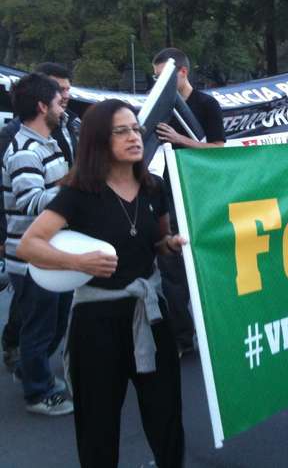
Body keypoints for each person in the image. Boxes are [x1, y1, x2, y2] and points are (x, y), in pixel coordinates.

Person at [18, 99, 185, 467]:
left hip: (150, 317)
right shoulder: (79, 193)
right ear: (97, 140)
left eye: (135, 129)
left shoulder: (153, 188)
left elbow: (156, 242)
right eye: (120, 131)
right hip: (96, 324)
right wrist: (77, 262)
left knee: (167, 417)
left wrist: (169, 245)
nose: (133, 137)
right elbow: (30, 245)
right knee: (98, 427)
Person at [1, 63, 80, 372]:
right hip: (33, 258)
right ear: (41, 106)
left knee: (55, 326)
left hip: (52, 254)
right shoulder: (24, 150)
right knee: (39, 331)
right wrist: (77, 192)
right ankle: (38, 391)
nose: (64, 106)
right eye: (59, 101)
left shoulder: (48, 143)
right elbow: (32, 202)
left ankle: (31, 374)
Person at [152, 48, 225, 356]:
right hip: (165, 195)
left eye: (161, 78)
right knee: (171, 271)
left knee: (210, 266)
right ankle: (183, 338)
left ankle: (220, 332)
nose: (157, 84)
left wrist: (180, 140)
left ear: (181, 73)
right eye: (155, 79)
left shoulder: (207, 104)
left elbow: (219, 148)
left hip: (201, 196)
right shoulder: (159, 107)